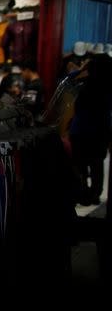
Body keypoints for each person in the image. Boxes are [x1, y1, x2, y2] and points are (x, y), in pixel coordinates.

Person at [68, 55, 112, 206]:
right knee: (97, 165)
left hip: (80, 131)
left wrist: (81, 69)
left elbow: (67, 82)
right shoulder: (108, 87)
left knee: (80, 164)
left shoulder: (83, 84)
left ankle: (83, 192)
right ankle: (95, 194)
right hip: (100, 131)